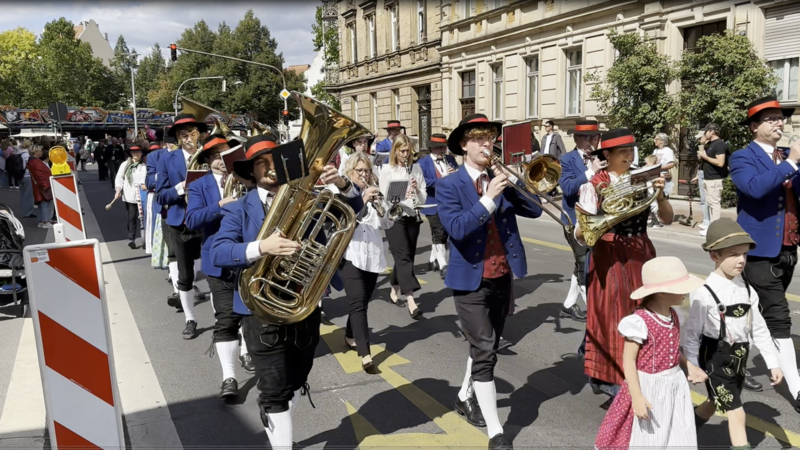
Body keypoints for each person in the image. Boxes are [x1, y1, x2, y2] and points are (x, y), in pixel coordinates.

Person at [210, 135, 362, 450]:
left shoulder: (309, 199)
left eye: (274, 161)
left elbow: (355, 210)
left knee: (294, 381)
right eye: (261, 163)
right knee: (274, 389)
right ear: (252, 171)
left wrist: (344, 185)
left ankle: (276, 424)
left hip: (303, 306)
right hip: (260, 309)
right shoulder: (239, 208)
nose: (269, 169)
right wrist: (261, 248)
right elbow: (218, 252)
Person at [437, 113, 543, 450]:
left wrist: (515, 182)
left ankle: (463, 396)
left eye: (490, 138)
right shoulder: (449, 184)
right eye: (479, 138)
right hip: (469, 280)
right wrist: (488, 198)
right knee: (484, 351)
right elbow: (456, 228)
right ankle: (496, 433)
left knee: (490, 344)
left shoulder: (500, 177)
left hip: (502, 275)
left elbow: (537, 210)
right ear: (464, 146)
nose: (487, 144)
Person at [575, 128, 673, 397]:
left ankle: (646, 369)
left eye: (631, 150)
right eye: (623, 152)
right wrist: (607, 215)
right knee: (614, 314)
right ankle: (613, 376)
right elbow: (580, 232)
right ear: (607, 155)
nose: (629, 156)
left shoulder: (642, 178)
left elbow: (667, 218)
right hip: (610, 253)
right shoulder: (594, 184)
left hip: (641, 252)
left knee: (646, 312)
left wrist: (661, 195)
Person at [729, 96, 800, 412]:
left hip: (787, 247)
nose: (779, 123)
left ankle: (729, 365)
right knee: (779, 317)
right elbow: (754, 189)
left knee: (753, 316)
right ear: (755, 126)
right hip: (757, 252)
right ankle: (797, 391)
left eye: (781, 118)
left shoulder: (786, 157)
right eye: (771, 119)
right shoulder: (742, 157)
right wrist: (790, 164)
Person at [687, 219, 784, 449]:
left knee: (713, 402)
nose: (741, 260)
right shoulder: (704, 292)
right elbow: (691, 335)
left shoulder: (747, 289)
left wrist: (773, 363)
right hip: (714, 360)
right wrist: (692, 365)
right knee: (736, 412)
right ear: (714, 256)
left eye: (743, 254)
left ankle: (683, 428)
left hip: (739, 358)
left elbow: (758, 329)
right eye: (733, 254)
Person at [595, 257, 707, 449]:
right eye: (681, 288)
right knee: (649, 438)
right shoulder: (640, 321)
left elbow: (672, 351)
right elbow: (629, 361)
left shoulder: (672, 314)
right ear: (662, 292)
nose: (686, 292)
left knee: (675, 434)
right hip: (649, 387)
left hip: (674, 386)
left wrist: (689, 366)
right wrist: (637, 397)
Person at [185, 133, 255, 398]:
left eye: (225, 154)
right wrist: (219, 205)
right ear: (207, 161)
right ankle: (229, 376)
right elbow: (191, 220)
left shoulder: (246, 177)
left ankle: (247, 351)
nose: (221, 161)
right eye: (215, 156)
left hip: (248, 256)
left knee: (250, 314)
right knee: (225, 318)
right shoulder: (199, 185)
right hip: (218, 259)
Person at [156, 114, 208, 339]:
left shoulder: (209, 154)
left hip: (208, 219)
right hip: (181, 221)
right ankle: (190, 319)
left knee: (217, 271)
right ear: (177, 137)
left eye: (193, 134)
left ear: (200, 134)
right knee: (185, 275)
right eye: (184, 135)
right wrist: (179, 189)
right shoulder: (168, 159)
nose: (189, 139)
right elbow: (159, 195)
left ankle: (221, 318)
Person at [341, 151, 392, 373]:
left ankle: (350, 334)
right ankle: (366, 354)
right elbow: (346, 220)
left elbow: (388, 224)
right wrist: (362, 199)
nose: (363, 174)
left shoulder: (375, 193)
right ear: (349, 172)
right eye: (359, 170)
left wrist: (381, 204)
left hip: (372, 255)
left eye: (366, 170)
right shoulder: (341, 194)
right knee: (358, 303)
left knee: (363, 301)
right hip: (351, 254)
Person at [557, 120, 603, 322]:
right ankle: (595, 312)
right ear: (576, 138)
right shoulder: (566, 159)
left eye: (594, 137)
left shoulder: (602, 157)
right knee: (585, 262)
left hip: (598, 219)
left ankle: (568, 305)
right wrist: (590, 172)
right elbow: (567, 189)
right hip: (574, 220)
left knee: (581, 262)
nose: (591, 141)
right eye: (587, 137)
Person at [379, 133, 427, 319]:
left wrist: (415, 191)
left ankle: (394, 288)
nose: (406, 155)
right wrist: (402, 195)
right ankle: (411, 300)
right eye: (402, 151)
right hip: (394, 218)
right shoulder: (387, 170)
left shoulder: (415, 168)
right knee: (404, 257)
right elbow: (384, 200)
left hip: (411, 216)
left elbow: (423, 196)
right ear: (395, 150)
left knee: (407, 256)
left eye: (408, 151)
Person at [418, 133, 457, 279]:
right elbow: (425, 182)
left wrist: (455, 175)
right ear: (431, 149)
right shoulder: (423, 163)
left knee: (444, 233)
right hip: (432, 203)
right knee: (438, 231)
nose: (442, 150)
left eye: (443, 147)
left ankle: (432, 260)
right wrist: (443, 180)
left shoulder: (451, 160)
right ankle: (443, 265)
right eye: (438, 148)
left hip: (449, 202)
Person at [114, 141, 148, 249]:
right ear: (130, 153)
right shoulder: (125, 165)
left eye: (137, 152)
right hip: (130, 196)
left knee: (145, 217)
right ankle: (131, 238)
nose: (135, 154)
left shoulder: (144, 165)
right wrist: (118, 190)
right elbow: (119, 178)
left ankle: (146, 239)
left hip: (143, 195)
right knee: (132, 217)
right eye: (133, 152)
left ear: (141, 153)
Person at [697, 123, 728, 236]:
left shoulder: (719, 144)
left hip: (714, 178)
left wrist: (705, 157)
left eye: (706, 131)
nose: (704, 134)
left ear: (712, 131)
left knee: (714, 204)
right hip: (708, 178)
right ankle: (711, 226)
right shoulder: (711, 144)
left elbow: (720, 163)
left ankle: (716, 229)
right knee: (709, 203)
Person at [26, 146, 54, 228]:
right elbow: (39, 175)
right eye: (40, 151)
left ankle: (42, 221)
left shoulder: (33, 161)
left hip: (39, 185)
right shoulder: (36, 162)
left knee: (42, 204)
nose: (42, 152)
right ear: (36, 152)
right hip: (42, 185)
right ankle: (45, 221)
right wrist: (45, 186)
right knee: (45, 203)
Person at [652, 133, 675, 198]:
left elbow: (671, 164)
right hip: (655, 176)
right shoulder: (655, 151)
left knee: (663, 197)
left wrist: (659, 168)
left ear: (662, 141)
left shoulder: (668, 151)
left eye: (656, 139)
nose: (654, 140)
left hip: (663, 176)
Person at [16, 140, 34, 218]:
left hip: (20, 175)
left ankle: (24, 211)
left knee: (23, 195)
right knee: (29, 195)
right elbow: (26, 166)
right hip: (27, 175)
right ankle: (28, 212)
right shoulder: (27, 155)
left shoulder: (19, 153)